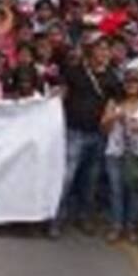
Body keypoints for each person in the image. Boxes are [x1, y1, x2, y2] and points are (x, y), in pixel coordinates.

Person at [50, 41, 118, 238]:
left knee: (90, 179)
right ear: (91, 52)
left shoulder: (112, 77)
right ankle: (56, 218)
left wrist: (110, 115)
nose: (104, 53)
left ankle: (84, 217)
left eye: (106, 49)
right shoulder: (74, 71)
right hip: (74, 132)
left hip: (98, 134)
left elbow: (114, 101)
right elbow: (62, 93)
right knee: (67, 177)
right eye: (100, 49)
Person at [101, 68, 138, 243]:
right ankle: (116, 226)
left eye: (135, 82)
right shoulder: (114, 103)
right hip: (115, 152)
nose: (132, 85)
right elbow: (103, 127)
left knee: (135, 192)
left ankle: (131, 227)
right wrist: (115, 117)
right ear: (123, 84)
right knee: (116, 191)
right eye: (129, 82)